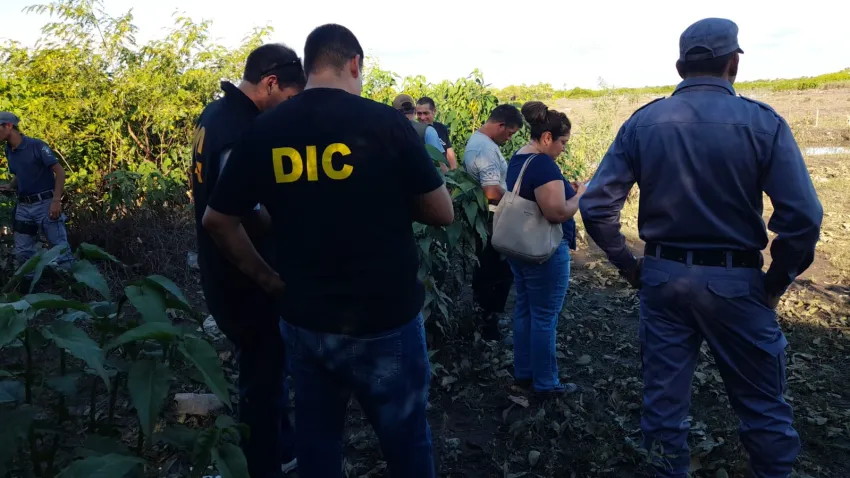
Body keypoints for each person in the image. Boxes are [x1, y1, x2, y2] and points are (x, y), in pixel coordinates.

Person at [202, 23, 454, 478]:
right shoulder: (385, 123)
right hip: (386, 318)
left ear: (309, 64)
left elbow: (219, 220)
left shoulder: (264, 131)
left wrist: (267, 279)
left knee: (318, 439)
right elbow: (442, 212)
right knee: (405, 440)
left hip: (305, 320)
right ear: (354, 63)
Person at [579, 18, 822, 478]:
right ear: (733, 64)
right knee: (763, 407)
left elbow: (595, 207)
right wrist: (775, 281)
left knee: (663, 411)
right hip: (736, 282)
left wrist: (631, 266)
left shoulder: (643, 122)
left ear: (679, 66)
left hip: (664, 280)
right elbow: (804, 217)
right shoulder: (763, 122)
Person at [190, 43, 305, 477]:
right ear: (270, 83)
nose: (291, 110)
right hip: (244, 275)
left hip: (222, 269)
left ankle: (283, 445)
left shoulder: (214, 114)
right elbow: (230, 216)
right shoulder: (240, 132)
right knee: (264, 376)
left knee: (263, 369)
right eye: (290, 99)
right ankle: (262, 465)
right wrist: (270, 276)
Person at [506, 101, 585, 395]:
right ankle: (546, 383)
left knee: (526, 309)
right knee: (545, 316)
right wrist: (580, 196)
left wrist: (567, 189)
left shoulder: (520, 158)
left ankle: (524, 373)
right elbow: (557, 213)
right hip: (545, 251)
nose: (564, 148)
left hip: (520, 247)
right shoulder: (543, 164)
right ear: (547, 137)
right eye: (562, 142)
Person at [462, 104, 524, 340]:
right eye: (509, 133)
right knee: (496, 271)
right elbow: (490, 190)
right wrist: (519, 201)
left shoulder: (479, 142)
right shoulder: (485, 149)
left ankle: (485, 320)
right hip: (493, 217)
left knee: (488, 270)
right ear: (500, 125)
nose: (509, 139)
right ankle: (488, 327)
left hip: (488, 218)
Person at [0, 112, 74, 271]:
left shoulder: (37, 146)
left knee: (60, 248)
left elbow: (60, 172)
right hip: (24, 207)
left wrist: (56, 201)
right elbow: (20, 173)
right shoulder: (8, 150)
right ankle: (30, 287)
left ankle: (72, 288)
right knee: (23, 252)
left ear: (8, 126)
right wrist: (11, 186)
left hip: (45, 204)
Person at [415, 96, 457, 170]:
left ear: (434, 111)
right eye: (419, 114)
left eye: (426, 113)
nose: (422, 117)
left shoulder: (441, 128)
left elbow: (449, 150)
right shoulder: (414, 131)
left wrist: (454, 170)